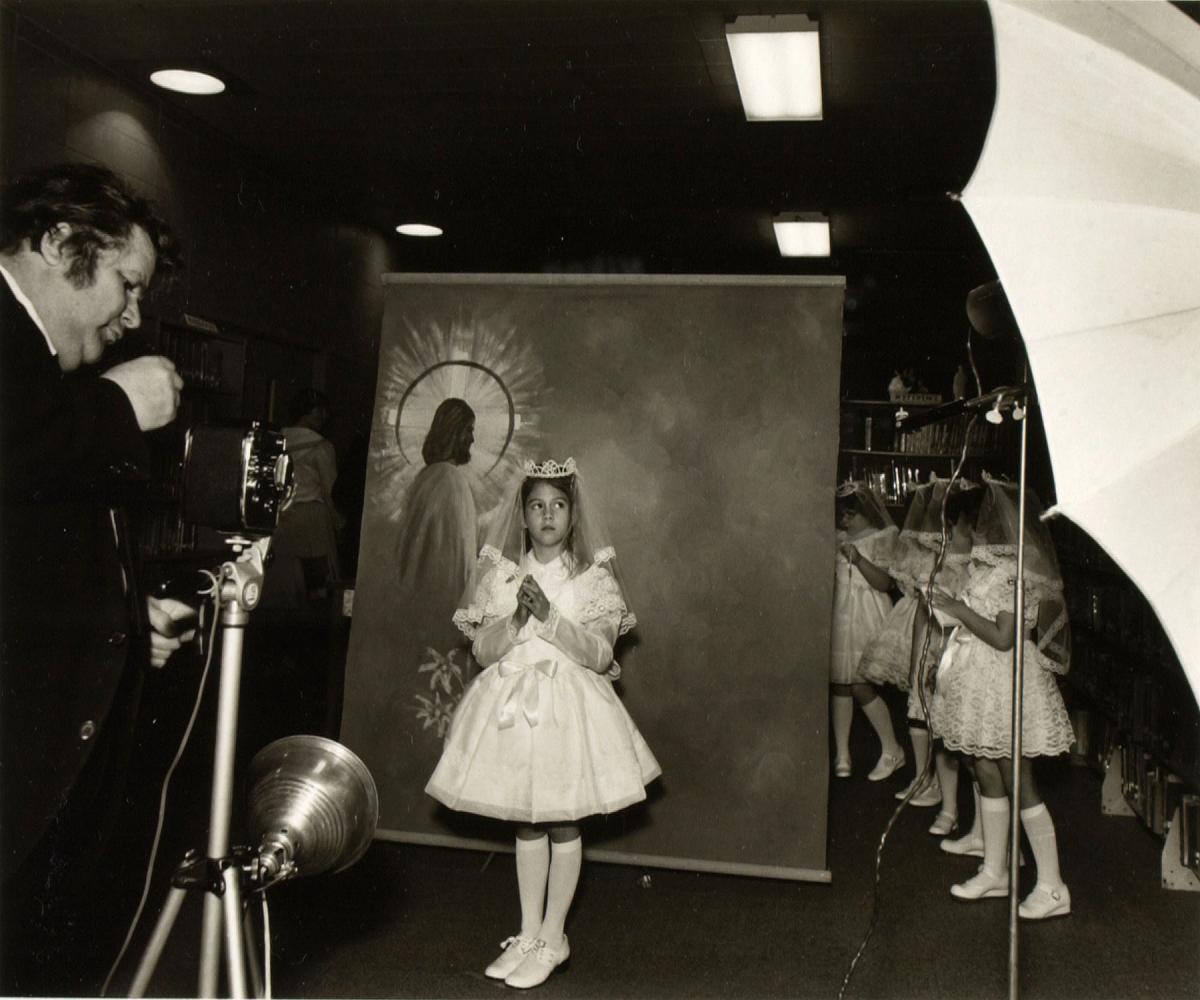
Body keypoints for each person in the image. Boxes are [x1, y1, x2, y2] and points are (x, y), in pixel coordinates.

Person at [0, 162, 196, 993]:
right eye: (127, 283)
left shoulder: (46, 378)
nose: (132, 314)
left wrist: (116, 611)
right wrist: (117, 410)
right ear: (58, 242)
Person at [426, 457, 660, 989]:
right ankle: (529, 932)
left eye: (558, 506)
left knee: (561, 818)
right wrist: (517, 617)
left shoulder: (592, 580)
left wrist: (551, 616)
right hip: (512, 709)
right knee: (526, 821)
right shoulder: (502, 577)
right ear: (524, 517)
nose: (547, 516)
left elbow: (600, 655)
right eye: (537, 506)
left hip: (566, 710)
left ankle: (556, 936)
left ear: (573, 516)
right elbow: (484, 652)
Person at [927, 479, 1074, 919]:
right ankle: (996, 870)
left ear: (981, 526)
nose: (955, 534)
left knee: (1018, 779)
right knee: (987, 768)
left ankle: (1052, 886)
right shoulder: (984, 568)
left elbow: (1004, 637)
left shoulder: (1013, 573)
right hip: (981, 677)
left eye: (959, 525)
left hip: (1006, 676)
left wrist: (956, 609)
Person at [830, 482, 905, 781]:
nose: (844, 522)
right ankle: (842, 753)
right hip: (840, 613)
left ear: (863, 513)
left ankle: (892, 749)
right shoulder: (836, 537)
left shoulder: (882, 537)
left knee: (862, 685)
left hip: (867, 614)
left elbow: (886, 584)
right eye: (842, 516)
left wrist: (858, 560)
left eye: (850, 515)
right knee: (840, 683)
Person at [393, 397, 478, 625]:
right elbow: (457, 556)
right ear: (454, 431)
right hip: (441, 602)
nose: (472, 439)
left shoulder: (426, 476)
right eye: (468, 430)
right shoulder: (452, 480)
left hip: (417, 598)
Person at [260, 387, 343, 613]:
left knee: (284, 586)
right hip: (312, 521)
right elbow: (330, 490)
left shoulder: (276, 440)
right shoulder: (322, 447)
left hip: (282, 519)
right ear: (306, 413)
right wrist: (339, 524)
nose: (323, 418)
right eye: (319, 412)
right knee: (315, 587)